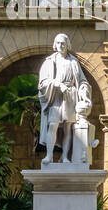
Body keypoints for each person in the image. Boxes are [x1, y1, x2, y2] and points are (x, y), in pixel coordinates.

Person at [37, 33, 90, 165]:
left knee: (68, 127)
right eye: (58, 43)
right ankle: (49, 155)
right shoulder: (50, 61)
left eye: (63, 43)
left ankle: (65, 157)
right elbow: (43, 82)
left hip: (71, 95)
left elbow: (82, 81)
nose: (60, 46)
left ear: (67, 45)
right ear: (55, 45)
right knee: (53, 124)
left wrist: (83, 91)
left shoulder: (73, 62)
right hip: (56, 95)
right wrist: (58, 84)